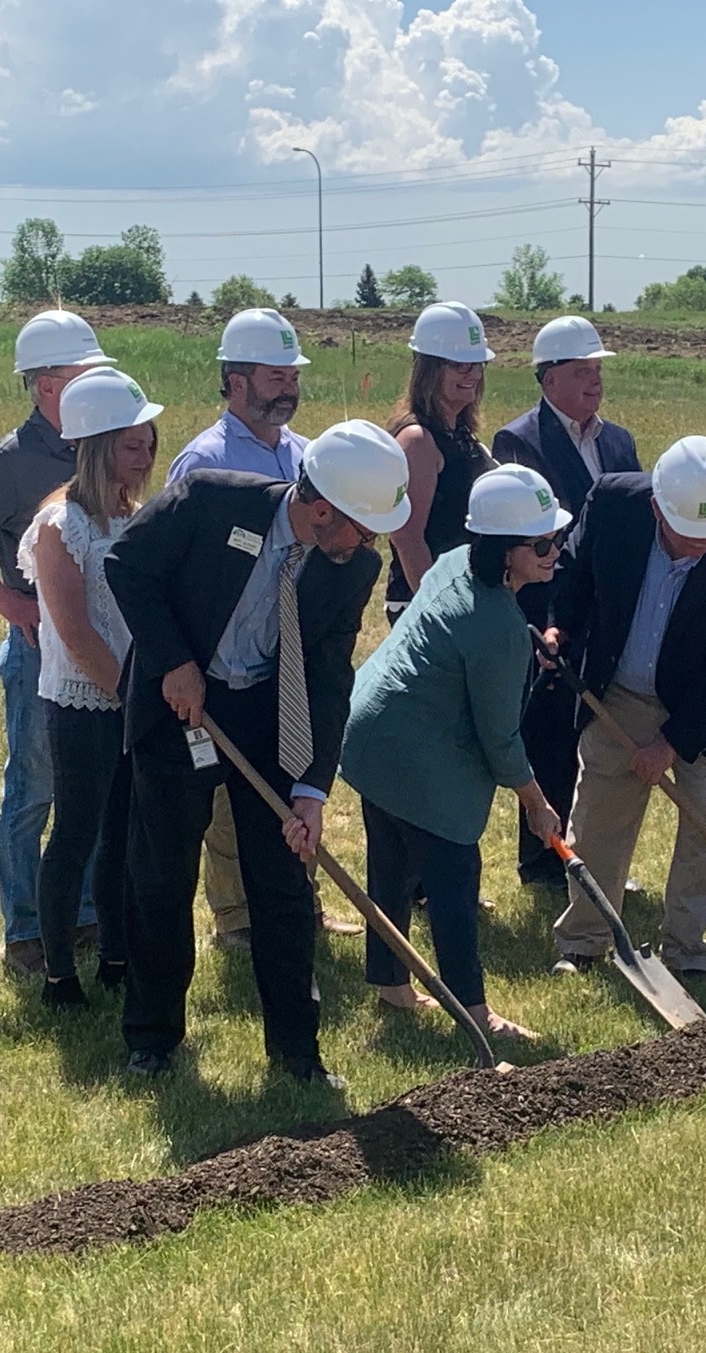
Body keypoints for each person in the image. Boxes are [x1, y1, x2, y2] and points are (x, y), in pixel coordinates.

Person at [106, 419, 410, 1086]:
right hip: (183, 705)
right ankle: (152, 1039)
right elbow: (127, 565)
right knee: (161, 877)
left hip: (269, 717)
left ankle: (297, 1053)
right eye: (365, 529)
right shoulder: (210, 499)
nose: (371, 545)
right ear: (322, 509)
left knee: (284, 886)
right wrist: (174, 662)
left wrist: (312, 789)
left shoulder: (353, 567)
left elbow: (329, 677)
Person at [342, 466, 566, 1039]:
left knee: (392, 865)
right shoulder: (498, 629)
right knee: (455, 881)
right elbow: (501, 740)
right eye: (542, 544)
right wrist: (537, 805)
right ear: (504, 550)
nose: (555, 552)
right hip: (415, 755)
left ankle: (392, 985)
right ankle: (474, 1011)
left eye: (558, 538)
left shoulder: (453, 562)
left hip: (370, 735)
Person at [544, 437, 706, 979]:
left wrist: (671, 744)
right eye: (688, 536)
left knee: (705, 831)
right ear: (656, 509)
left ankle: (686, 952)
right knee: (598, 817)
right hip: (620, 692)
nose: (700, 547)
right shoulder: (612, 503)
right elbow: (575, 569)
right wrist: (560, 626)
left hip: (703, 708)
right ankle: (585, 940)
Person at [166, 308, 361, 950]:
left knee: (289, 783)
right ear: (235, 381)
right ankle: (234, 917)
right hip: (221, 663)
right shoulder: (205, 461)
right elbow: (178, 570)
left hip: (288, 658)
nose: (289, 389)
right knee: (228, 801)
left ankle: (296, 902)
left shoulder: (308, 456)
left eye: (293, 377)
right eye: (276, 377)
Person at [0, 310, 112, 976]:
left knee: (89, 784)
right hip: (39, 652)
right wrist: (9, 601)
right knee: (35, 788)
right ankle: (26, 931)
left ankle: (84, 914)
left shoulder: (99, 444)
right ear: (46, 386)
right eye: (84, 375)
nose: (97, 386)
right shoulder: (13, 462)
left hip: (97, 644)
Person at [18, 368, 161, 1007]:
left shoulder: (134, 517)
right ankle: (58, 974)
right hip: (82, 702)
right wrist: (129, 695)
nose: (145, 457)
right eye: (132, 445)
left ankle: (116, 954)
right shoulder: (60, 526)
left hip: (131, 698)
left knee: (124, 835)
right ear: (98, 446)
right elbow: (75, 631)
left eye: (149, 444)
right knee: (76, 832)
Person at [491, 314, 642, 891]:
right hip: (549, 612)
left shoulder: (618, 442)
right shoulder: (519, 442)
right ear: (548, 377)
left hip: (607, 614)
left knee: (598, 743)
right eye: (582, 371)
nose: (594, 382)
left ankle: (594, 856)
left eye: (597, 371)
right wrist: (550, 622)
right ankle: (543, 860)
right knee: (549, 738)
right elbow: (524, 539)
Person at [385, 301, 495, 622]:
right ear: (429, 369)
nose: (472, 374)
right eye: (460, 365)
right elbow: (406, 537)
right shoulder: (418, 440)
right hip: (424, 608)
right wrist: (441, 610)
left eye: (477, 364)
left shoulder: (459, 433)